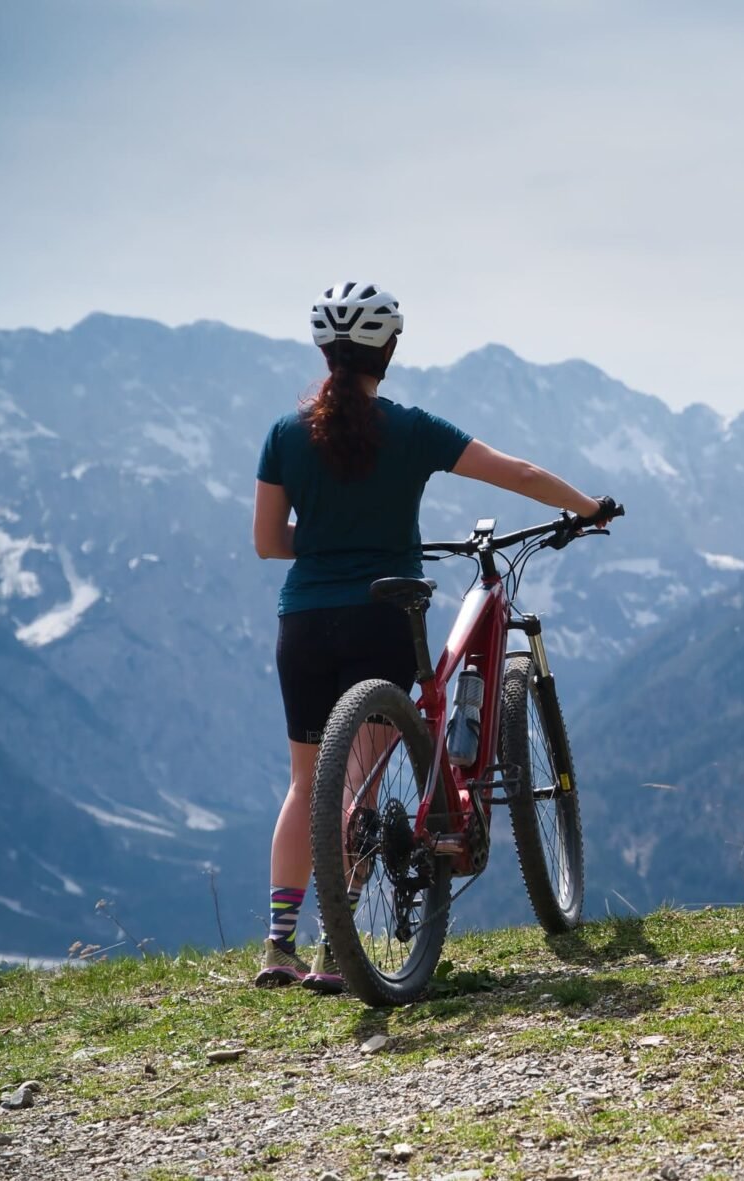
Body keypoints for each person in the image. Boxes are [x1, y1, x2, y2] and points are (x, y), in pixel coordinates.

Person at [251, 281, 614, 992]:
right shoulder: (410, 428)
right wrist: (588, 506)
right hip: (381, 615)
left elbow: (269, 542)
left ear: (325, 351)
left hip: (302, 625)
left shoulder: (285, 435)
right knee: (357, 780)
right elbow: (520, 472)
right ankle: (337, 946)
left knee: (307, 783)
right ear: (387, 349)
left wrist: (328, 543)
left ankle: (278, 943)